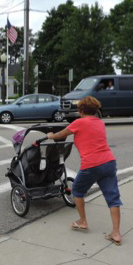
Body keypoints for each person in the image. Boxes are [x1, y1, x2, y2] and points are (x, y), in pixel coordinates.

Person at [46, 96, 122, 245]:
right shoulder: (100, 122)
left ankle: (82, 221)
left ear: (80, 110)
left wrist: (51, 136)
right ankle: (116, 233)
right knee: (113, 198)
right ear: (95, 110)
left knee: (77, 191)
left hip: (92, 164)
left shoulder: (79, 122)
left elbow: (62, 134)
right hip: (109, 162)